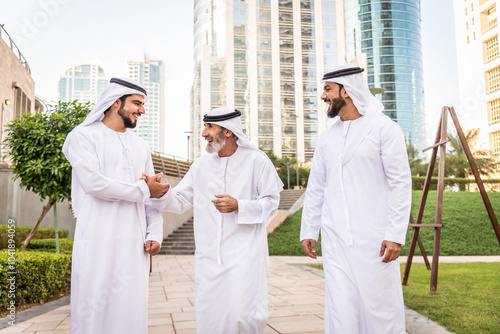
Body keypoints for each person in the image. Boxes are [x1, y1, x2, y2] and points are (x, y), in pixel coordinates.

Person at [148, 107, 283, 333]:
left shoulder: (257, 161)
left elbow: (271, 202)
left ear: (228, 131)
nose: (204, 133)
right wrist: (160, 192)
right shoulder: (201, 166)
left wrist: (239, 205)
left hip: (244, 255)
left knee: (244, 314)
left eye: (209, 127)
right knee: (210, 315)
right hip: (208, 257)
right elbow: (179, 201)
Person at [300, 64, 412, 333]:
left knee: (380, 310)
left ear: (346, 91)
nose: (323, 96)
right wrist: (309, 229)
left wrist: (395, 234)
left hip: (375, 240)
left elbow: (400, 183)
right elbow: (316, 187)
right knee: (341, 310)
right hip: (336, 238)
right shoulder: (327, 138)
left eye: (328, 89)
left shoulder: (385, 129)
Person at [62, 77, 169, 334]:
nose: (142, 110)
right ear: (115, 102)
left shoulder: (140, 145)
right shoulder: (83, 136)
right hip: (99, 239)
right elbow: (93, 183)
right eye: (137, 103)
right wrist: (144, 189)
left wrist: (154, 232)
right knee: (94, 308)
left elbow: (151, 194)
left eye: (143, 105)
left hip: (133, 244)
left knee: (131, 310)